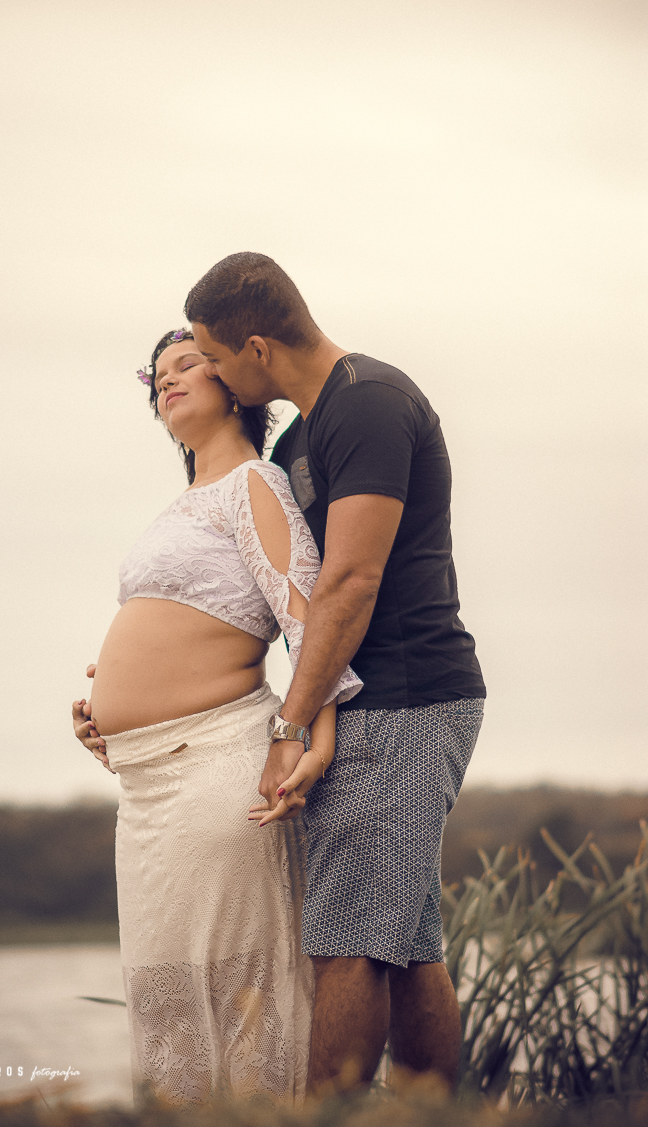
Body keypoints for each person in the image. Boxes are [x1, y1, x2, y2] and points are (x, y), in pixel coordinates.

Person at [184, 252, 486, 1095]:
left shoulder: (371, 403)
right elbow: (281, 585)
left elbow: (351, 582)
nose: (210, 371)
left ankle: (321, 1121)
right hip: (371, 698)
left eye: (210, 355)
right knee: (406, 937)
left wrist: (290, 724)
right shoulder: (301, 435)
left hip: (407, 693)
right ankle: (429, 1112)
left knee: (348, 940)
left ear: (255, 347)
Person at [71, 326, 361, 1105]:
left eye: (188, 364)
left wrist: (309, 736)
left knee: (243, 992)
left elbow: (307, 619)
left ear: (235, 380)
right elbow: (173, 627)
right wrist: (107, 711)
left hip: (218, 766)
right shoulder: (183, 504)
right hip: (145, 786)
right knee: (164, 998)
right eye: (157, 374)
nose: (168, 380)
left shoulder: (254, 484)